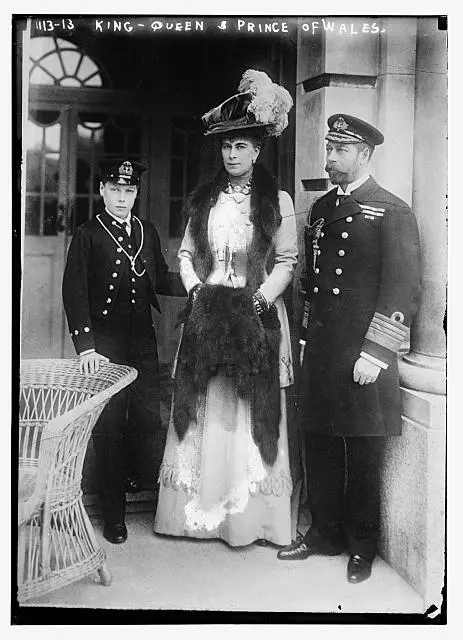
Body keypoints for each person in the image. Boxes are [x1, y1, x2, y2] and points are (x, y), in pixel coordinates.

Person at [154, 70, 297, 547]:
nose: (232, 154)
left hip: (255, 314)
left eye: (240, 146)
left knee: (248, 407)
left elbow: (287, 261)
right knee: (203, 405)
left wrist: (260, 299)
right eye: (226, 146)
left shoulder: (277, 201)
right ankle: (198, 515)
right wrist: (196, 291)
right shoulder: (205, 200)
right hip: (207, 311)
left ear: (257, 150)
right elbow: (185, 255)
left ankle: (248, 521)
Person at [277, 114, 422, 584]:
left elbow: (402, 288)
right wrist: (302, 341)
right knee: (319, 443)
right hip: (322, 351)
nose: (331, 157)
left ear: (364, 154)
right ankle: (324, 532)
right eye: (329, 148)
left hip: (363, 355)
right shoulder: (320, 210)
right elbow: (311, 284)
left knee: (362, 453)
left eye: (340, 150)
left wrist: (376, 353)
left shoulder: (390, 210)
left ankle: (361, 546)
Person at [62, 158, 186, 544]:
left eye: (129, 190)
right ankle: (113, 513)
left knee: (148, 414)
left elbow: (161, 278)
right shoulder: (88, 233)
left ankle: (136, 478)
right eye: (115, 189)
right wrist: (86, 347)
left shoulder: (145, 230)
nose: (122, 197)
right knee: (110, 423)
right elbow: (74, 291)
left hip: (142, 338)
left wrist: (200, 282)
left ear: (136, 193)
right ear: (102, 190)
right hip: (106, 342)